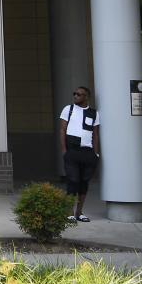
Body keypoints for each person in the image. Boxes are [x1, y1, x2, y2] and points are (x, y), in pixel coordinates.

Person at [59, 86, 101, 222]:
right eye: (74, 93)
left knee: (84, 183)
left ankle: (79, 212)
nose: (76, 96)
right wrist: (64, 150)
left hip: (88, 152)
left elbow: (95, 134)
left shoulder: (94, 113)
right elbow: (62, 130)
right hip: (72, 151)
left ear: (86, 97)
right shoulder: (68, 109)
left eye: (79, 94)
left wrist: (95, 153)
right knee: (73, 181)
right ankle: (69, 213)